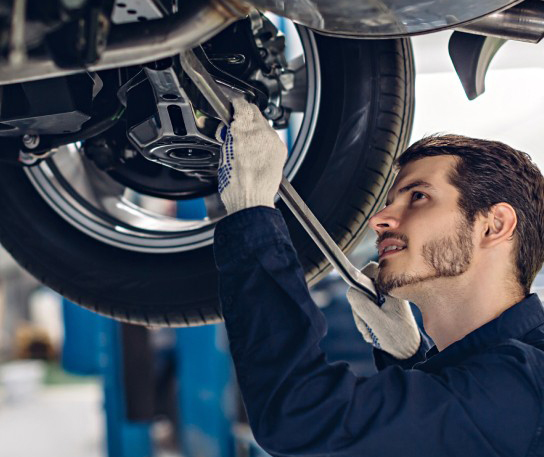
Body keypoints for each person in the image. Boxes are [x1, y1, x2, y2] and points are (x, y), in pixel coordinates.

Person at [213, 98, 544, 456]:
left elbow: (299, 416)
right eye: (388, 202)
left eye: (418, 196)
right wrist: (408, 355)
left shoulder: (524, 384)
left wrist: (253, 213)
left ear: (494, 225)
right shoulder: (513, 380)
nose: (379, 219)